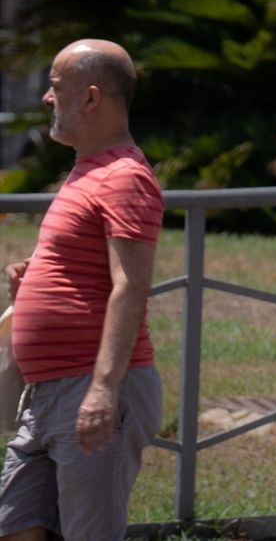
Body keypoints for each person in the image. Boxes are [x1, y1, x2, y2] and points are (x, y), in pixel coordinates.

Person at [0, 40, 164, 540]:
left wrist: (103, 388)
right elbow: (89, 267)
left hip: (89, 389)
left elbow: (131, 286)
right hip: (47, 391)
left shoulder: (124, 176)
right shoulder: (86, 170)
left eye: (55, 86)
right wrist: (35, 282)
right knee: (18, 528)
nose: (47, 98)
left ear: (91, 98)